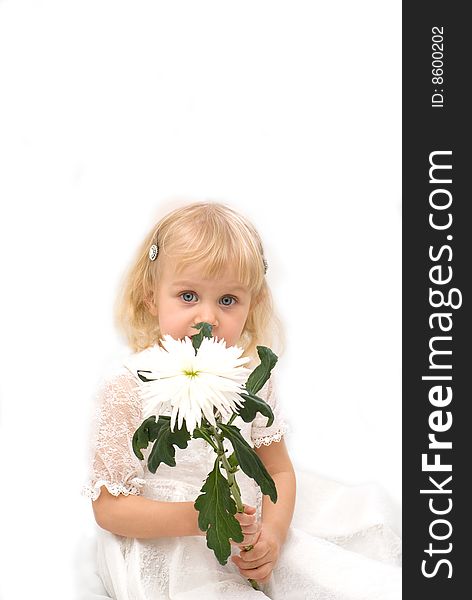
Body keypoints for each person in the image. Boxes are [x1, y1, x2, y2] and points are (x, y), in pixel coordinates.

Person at [82, 201, 401, 599]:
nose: (207, 317)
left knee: (341, 575)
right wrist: (207, 518)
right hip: (168, 541)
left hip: (247, 531)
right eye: (187, 295)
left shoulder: (252, 381)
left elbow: (278, 472)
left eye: (228, 300)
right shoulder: (129, 386)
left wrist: (272, 536)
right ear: (151, 298)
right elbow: (110, 509)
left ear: (252, 306)